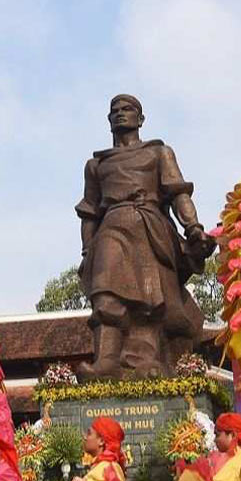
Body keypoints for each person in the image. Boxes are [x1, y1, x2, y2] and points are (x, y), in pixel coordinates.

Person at [75, 94, 215, 380]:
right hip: (111, 227)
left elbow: (178, 193)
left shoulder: (158, 153)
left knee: (153, 305)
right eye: (114, 111)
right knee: (105, 292)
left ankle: (150, 361)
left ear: (140, 119)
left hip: (150, 227)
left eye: (128, 109)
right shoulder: (96, 165)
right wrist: (88, 252)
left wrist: (193, 228)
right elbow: (89, 212)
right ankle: (106, 361)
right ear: (109, 121)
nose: (120, 114)